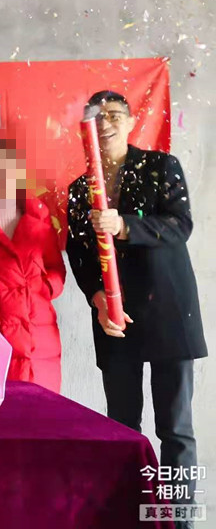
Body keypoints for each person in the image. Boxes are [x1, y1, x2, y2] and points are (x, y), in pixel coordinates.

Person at [66, 91, 207, 517]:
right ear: (84, 130)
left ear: (129, 122)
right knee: (122, 426)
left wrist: (125, 225)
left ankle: (178, 520)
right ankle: (132, 516)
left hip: (168, 312)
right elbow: (79, 254)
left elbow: (180, 225)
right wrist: (97, 297)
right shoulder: (79, 189)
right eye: (96, 118)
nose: (105, 124)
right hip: (115, 319)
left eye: (113, 115)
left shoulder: (161, 166)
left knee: (175, 429)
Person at [0, 140, 65, 393]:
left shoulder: (39, 218)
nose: (3, 177)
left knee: (43, 408)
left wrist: (43, 287)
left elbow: (56, 269)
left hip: (38, 335)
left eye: (9, 169)